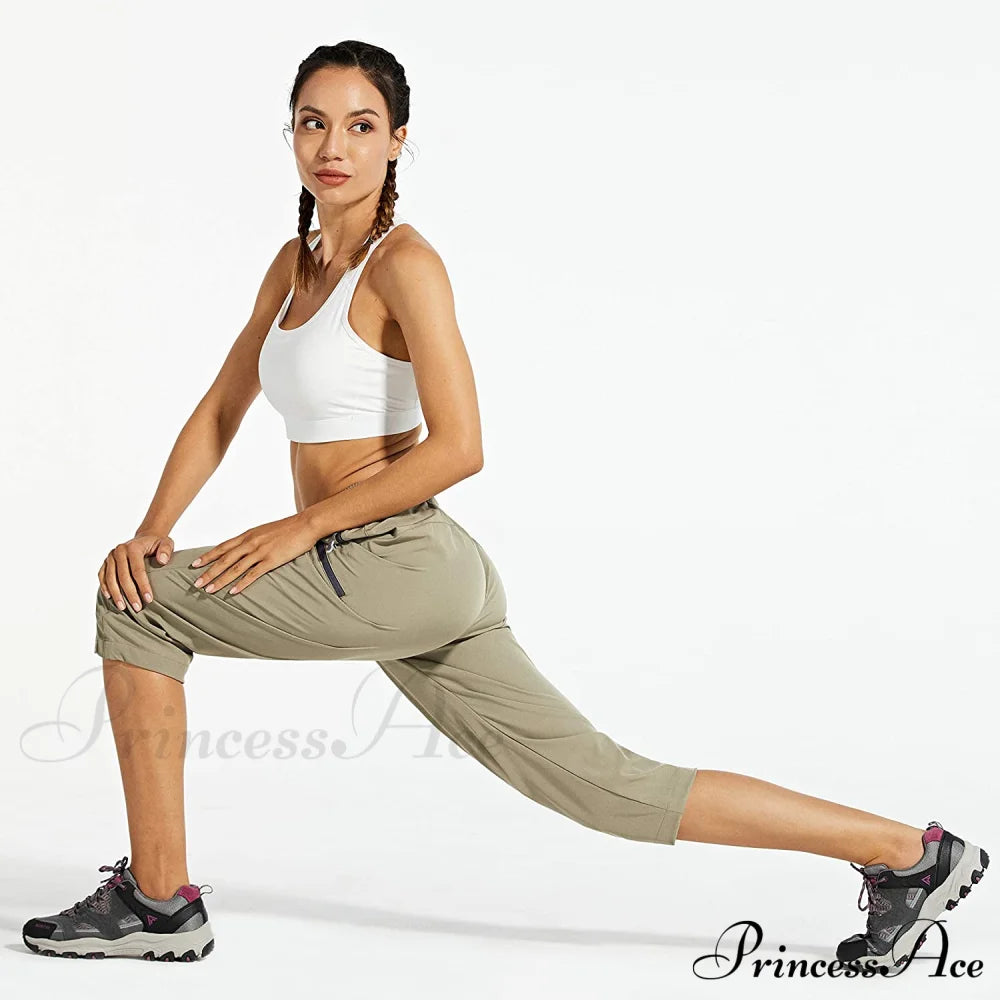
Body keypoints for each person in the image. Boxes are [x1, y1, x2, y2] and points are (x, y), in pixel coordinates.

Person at [22, 41, 988, 971]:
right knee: (607, 787)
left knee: (136, 607)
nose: (333, 147)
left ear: (397, 140)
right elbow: (221, 408)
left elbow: (461, 446)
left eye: (361, 125)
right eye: (312, 123)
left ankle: (159, 902)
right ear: (290, 135)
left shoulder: (405, 264)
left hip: (390, 562)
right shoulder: (294, 265)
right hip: (403, 578)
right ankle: (911, 855)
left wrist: (302, 525)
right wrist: (154, 528)